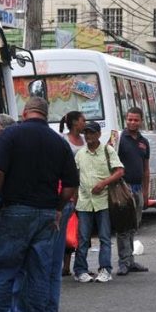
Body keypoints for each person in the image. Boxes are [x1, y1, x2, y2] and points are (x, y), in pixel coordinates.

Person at [0, 97, 79, 312]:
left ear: (24, 112)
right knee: (39, 273)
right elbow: (71, 186)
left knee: (3, 271)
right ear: (45, 114)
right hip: (45, 215)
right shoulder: (59, 142)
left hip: (15, 212)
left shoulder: (11, 136)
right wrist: (57, 208)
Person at [73, 121, 124, 283]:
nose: (88, 136)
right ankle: (80, 270)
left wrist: (104, 183)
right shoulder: (80, 154)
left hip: (103, 201)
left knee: (104, 237)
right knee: (83, 239)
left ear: (98, 135)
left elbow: (120, 171)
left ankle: (105, 269)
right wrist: (74, 199)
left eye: (92, 133)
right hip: (84, 202)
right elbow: (76, 177)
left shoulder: (107, 151)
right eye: (86, 133)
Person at [116, 107, 149, 276]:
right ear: (125, 120)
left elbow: (146, 169)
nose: (132, 122)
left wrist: (146, 191)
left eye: (136, 120)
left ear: (141, 121)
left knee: (134, 226)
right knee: (123, 226)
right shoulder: (120, 139)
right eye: (129, 119)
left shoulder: (144, 142)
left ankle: (131, 261)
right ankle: (123, 262)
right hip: (124, 188)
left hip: (138, 188)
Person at [59, 111, 86, 276]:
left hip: (85, 189)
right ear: (75, 122)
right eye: (83, 120)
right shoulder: (63, 141)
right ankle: (64, 266)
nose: (85, 123)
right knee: (65, 227)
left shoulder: (85, 139)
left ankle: (78, 265)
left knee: (81, 229)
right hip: (69, 188)